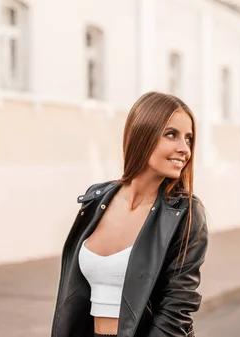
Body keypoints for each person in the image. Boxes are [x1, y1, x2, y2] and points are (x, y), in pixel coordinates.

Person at [51, 92, 209, 337]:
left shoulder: (184, 213)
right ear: (142, 134)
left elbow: (177, 308)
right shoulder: (97, 199)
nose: (184, 149)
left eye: (188, 139)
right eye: (171, 135)